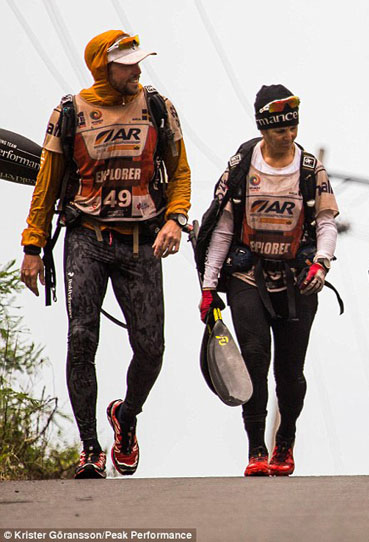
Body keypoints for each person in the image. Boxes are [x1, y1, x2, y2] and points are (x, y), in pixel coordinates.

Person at [20, 30, 191, 479]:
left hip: (142, 241)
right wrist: (33, 245)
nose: (137, 70)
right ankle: (91, 448)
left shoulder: (158, 106)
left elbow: (180, 172)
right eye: (128, 64)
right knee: (82, 340)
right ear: (103, 67)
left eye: (138, 62)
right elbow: (47, 182)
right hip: (86, 240)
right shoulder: (70, 112)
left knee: (151, 348)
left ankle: (126, 416)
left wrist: (176, 218)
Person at [199, 84, 338, 477]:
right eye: (280, 129)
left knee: (290, 372)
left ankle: (285, 442)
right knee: (255, 360)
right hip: (248, 277)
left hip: (298, 280)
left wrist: (321, 264)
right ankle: (256, 448)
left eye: (293, 127)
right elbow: (222, 230)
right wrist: (210, 288)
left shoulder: (311, 170)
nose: (289, 135)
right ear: (263, 128)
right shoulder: (243, 166)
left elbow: (326, 224)